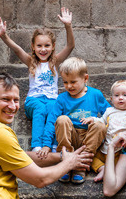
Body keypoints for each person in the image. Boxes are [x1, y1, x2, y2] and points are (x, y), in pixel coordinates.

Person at [0, 7, 75, 153]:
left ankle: (53, 145)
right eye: (39, 46)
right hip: (34, 101)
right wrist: (4, 36)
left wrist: (68, 26)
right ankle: (37, 145)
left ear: (53, 47)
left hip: (51, 99)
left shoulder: (55, 62)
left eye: (47, 45)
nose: (43, 49)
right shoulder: (31, 62)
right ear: (33, 47)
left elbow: (70, 46)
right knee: (40, 109)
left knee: (54, 109)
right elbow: (17, 50)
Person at [37, 56, 109, 184]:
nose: (69, 86)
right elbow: (51, 121)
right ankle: (66, 161)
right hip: (70, 136)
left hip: (88, 138)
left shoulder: (95, 94)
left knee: (100, 125)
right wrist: (47, 145)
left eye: (73, 82)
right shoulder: (62, 98)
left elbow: (109, 115)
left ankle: (81, 164)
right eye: (65, 82)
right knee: (62, 119)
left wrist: (96, 120)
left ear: (85, 78)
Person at [90, 79, 126, 183]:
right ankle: (102, 168)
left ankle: (111, 171)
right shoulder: (109, 111)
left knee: (123, 166)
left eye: (125, 95)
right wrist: (93, 119)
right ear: (111, 99)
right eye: (116, 95)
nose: (120, 98)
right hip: (105, 147)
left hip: (120, 150)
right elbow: (102, 121)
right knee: (90, 157)